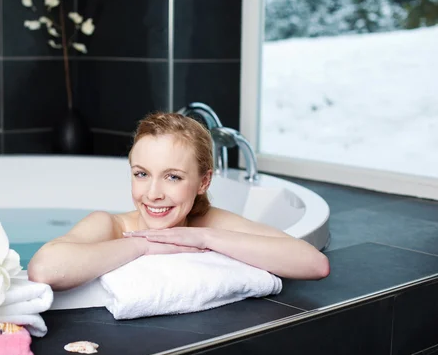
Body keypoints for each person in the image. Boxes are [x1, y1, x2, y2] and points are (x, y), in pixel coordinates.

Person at [28, 112, 330, 291]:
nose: (153, 193)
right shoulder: (110, 225)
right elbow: (44, 269)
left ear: (204, 181)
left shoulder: (209, 223)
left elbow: (314, 264)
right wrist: (143, 244)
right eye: (142, 174)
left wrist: (203, 237)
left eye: (172, 177)